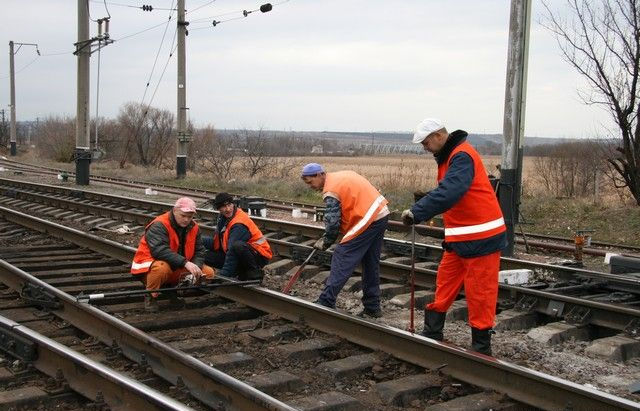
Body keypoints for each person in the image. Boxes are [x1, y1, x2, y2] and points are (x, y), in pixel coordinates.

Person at [401, 118, 507, 355]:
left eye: (426, 142)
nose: (424, 147)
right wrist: (426, 200)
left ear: (439, 135)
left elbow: (451, 192)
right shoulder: (449, 157)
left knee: (480, 293)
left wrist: (418, 211)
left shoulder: (461, 155)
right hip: (459, 239)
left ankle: (481, 347)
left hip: (482, 238)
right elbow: (450, 191)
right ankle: (432, 332)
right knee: (445, 283)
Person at [301, 163, 389, 317]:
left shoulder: (331, 190)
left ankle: (326, 300)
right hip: (380, 212)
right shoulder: (339, 177)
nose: (310, 186)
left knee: (342, 254)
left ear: (320, 175)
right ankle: (372, 307)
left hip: (368, 217)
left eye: (310, 182)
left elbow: (332, 222)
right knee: (370, 262)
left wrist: (326, 240)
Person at [131, 197, 215, 312]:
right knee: (161, 268)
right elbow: (159, 250)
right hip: (148, 267)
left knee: (208, 273)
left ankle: (171, 290)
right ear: (174, 211)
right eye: (183, 216)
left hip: (176, 265)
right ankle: (150, 295)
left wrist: (196, 267)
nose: (186, 220)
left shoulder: (194, 227)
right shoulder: (159, 224)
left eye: (190, 217)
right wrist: (186, 263)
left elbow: (199, 250)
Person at [203, 192, 272, 280]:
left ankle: (253, 273)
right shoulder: (223, 218)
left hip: (258, 257)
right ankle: (237, 270)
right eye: (223, 207)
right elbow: (218, 243)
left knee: (237, 245)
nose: (228, 209)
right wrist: (198, 241)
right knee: (205, 255)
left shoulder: (239, 223)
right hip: (241, 254)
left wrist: (223, 276)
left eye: (229, 205)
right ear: (218, 209)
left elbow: (232, 249)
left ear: (233, 204)